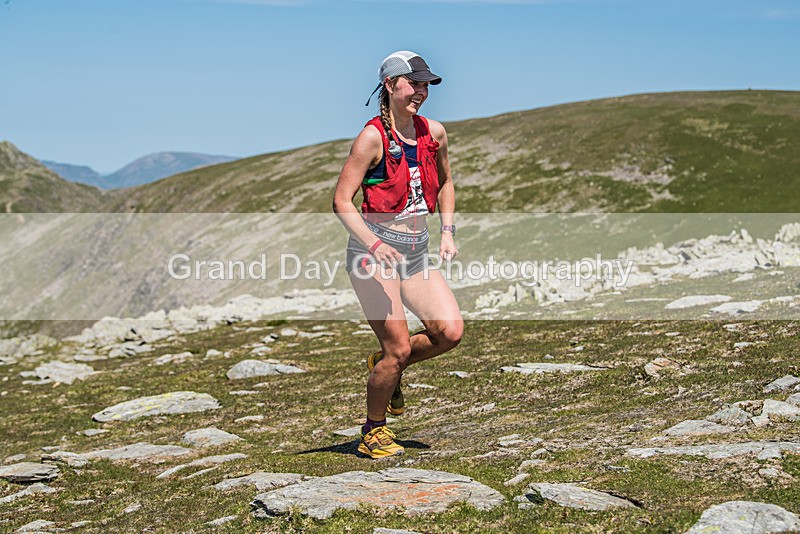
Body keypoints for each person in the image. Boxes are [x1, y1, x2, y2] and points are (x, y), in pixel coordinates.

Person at [332, 51, 464, 459]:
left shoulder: (434, 132)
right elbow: (341, 201)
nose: (421, 92)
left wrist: (447, 232)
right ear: (390, 85)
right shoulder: (371, 138)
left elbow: (445, 183)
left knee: (449, 333)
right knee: (399, 349)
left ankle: (386, 364)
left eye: (426, 85)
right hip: (371, 254)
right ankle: (373, 431)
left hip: (416, 252)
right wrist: (374, 244)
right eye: (414, 83)